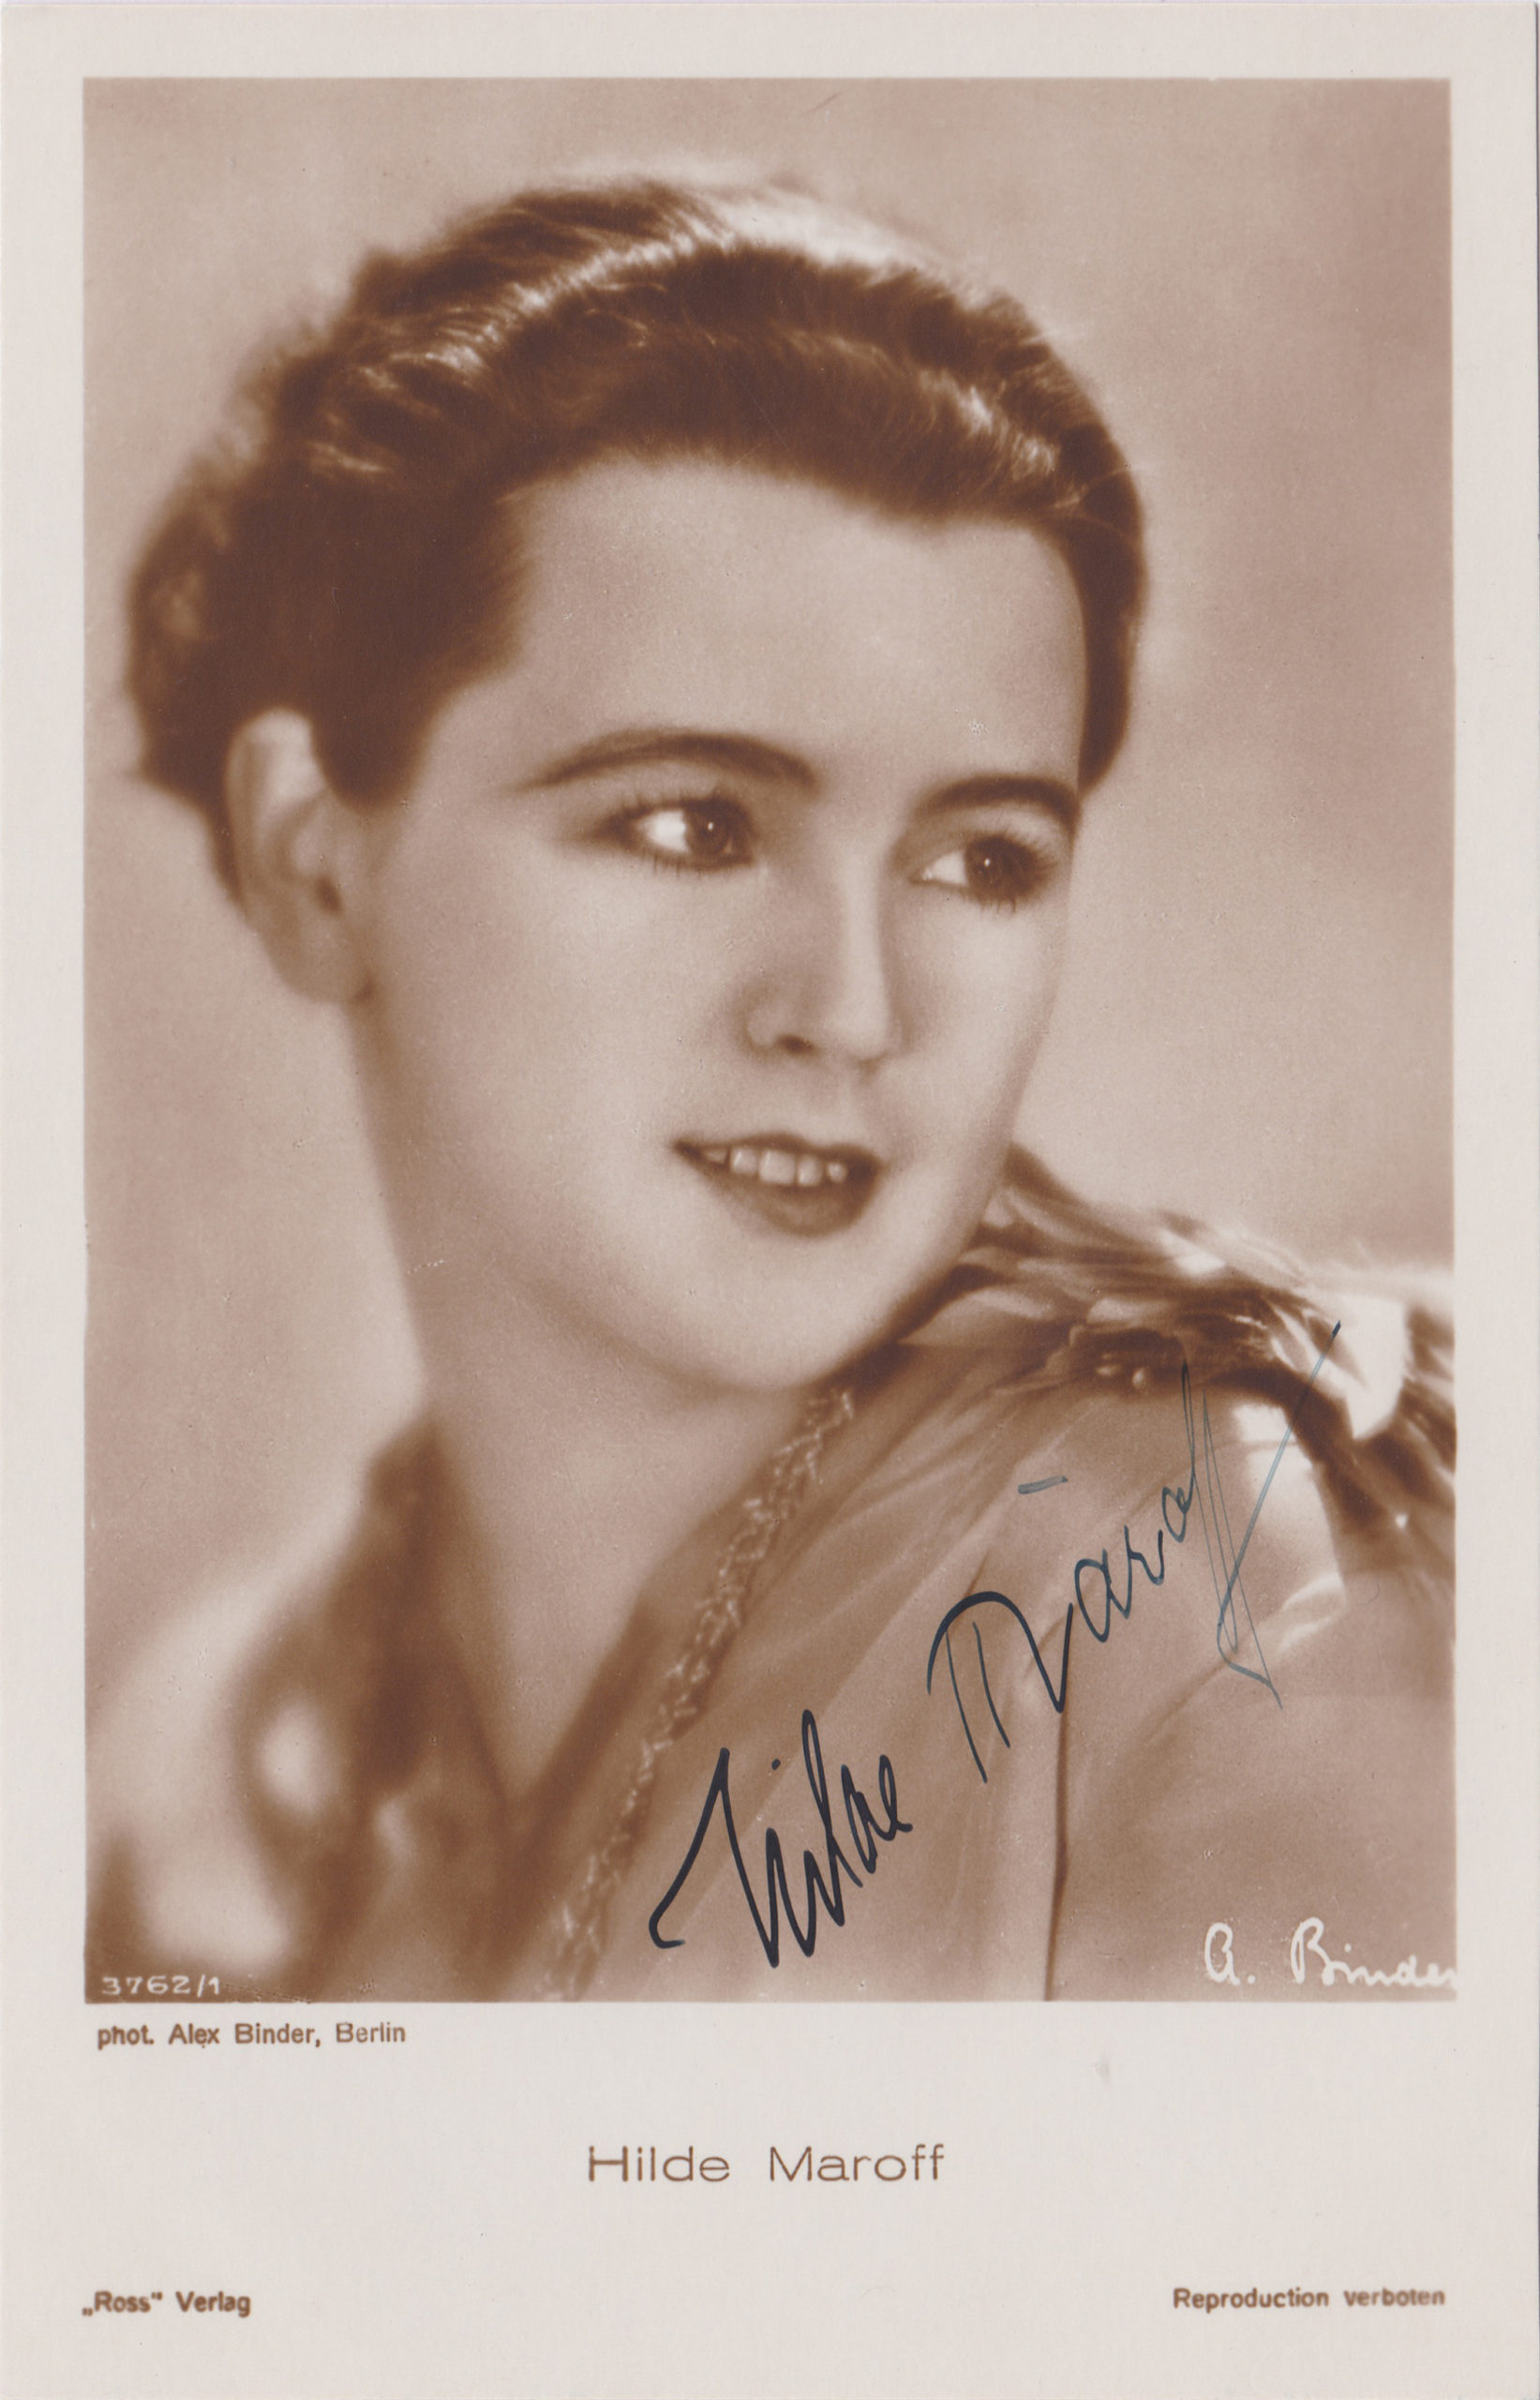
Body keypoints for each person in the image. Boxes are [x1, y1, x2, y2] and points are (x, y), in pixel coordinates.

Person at [87, 176, 1454, 2005]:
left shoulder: (1234, 1601)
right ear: (312, 860)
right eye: (694, 824)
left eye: (981, 858)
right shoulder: (206, 1761)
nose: (856, 1011)